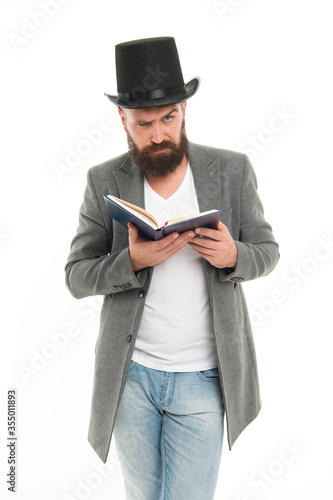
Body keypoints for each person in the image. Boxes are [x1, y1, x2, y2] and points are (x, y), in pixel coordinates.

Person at [65, 36, 279, 500]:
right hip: (131, 377)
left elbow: (268, 250)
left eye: (170, 117)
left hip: (204, 379)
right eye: (144, 124)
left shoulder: (232, 170)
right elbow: (76, 276)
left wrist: (233, 256)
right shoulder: (104, 180)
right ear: (123, 119)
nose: (159, 134)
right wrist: (132, 261)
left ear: (184, 110)